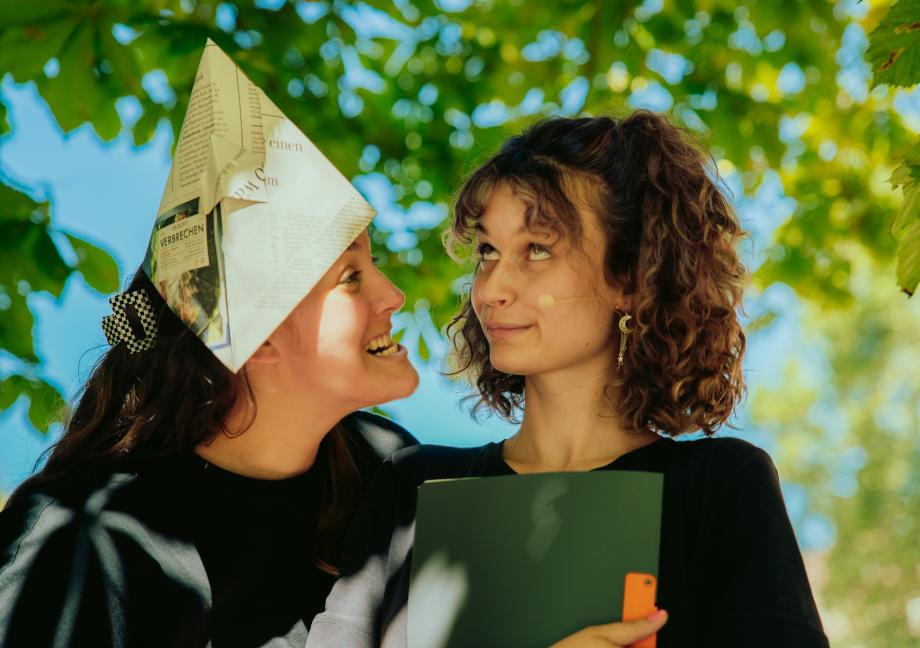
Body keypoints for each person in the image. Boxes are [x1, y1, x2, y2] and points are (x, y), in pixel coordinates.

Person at [307, 111, 829, 647]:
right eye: (488, 251)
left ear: (631, 276)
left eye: (537, 249)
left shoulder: (720, 488)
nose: (490, 290)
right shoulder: (410, 487)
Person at [0, 229, 420, 647]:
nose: (393, 295)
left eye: (374, 263)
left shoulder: (389, 469)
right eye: (350, 276)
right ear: (258, 332)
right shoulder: (79, 541)